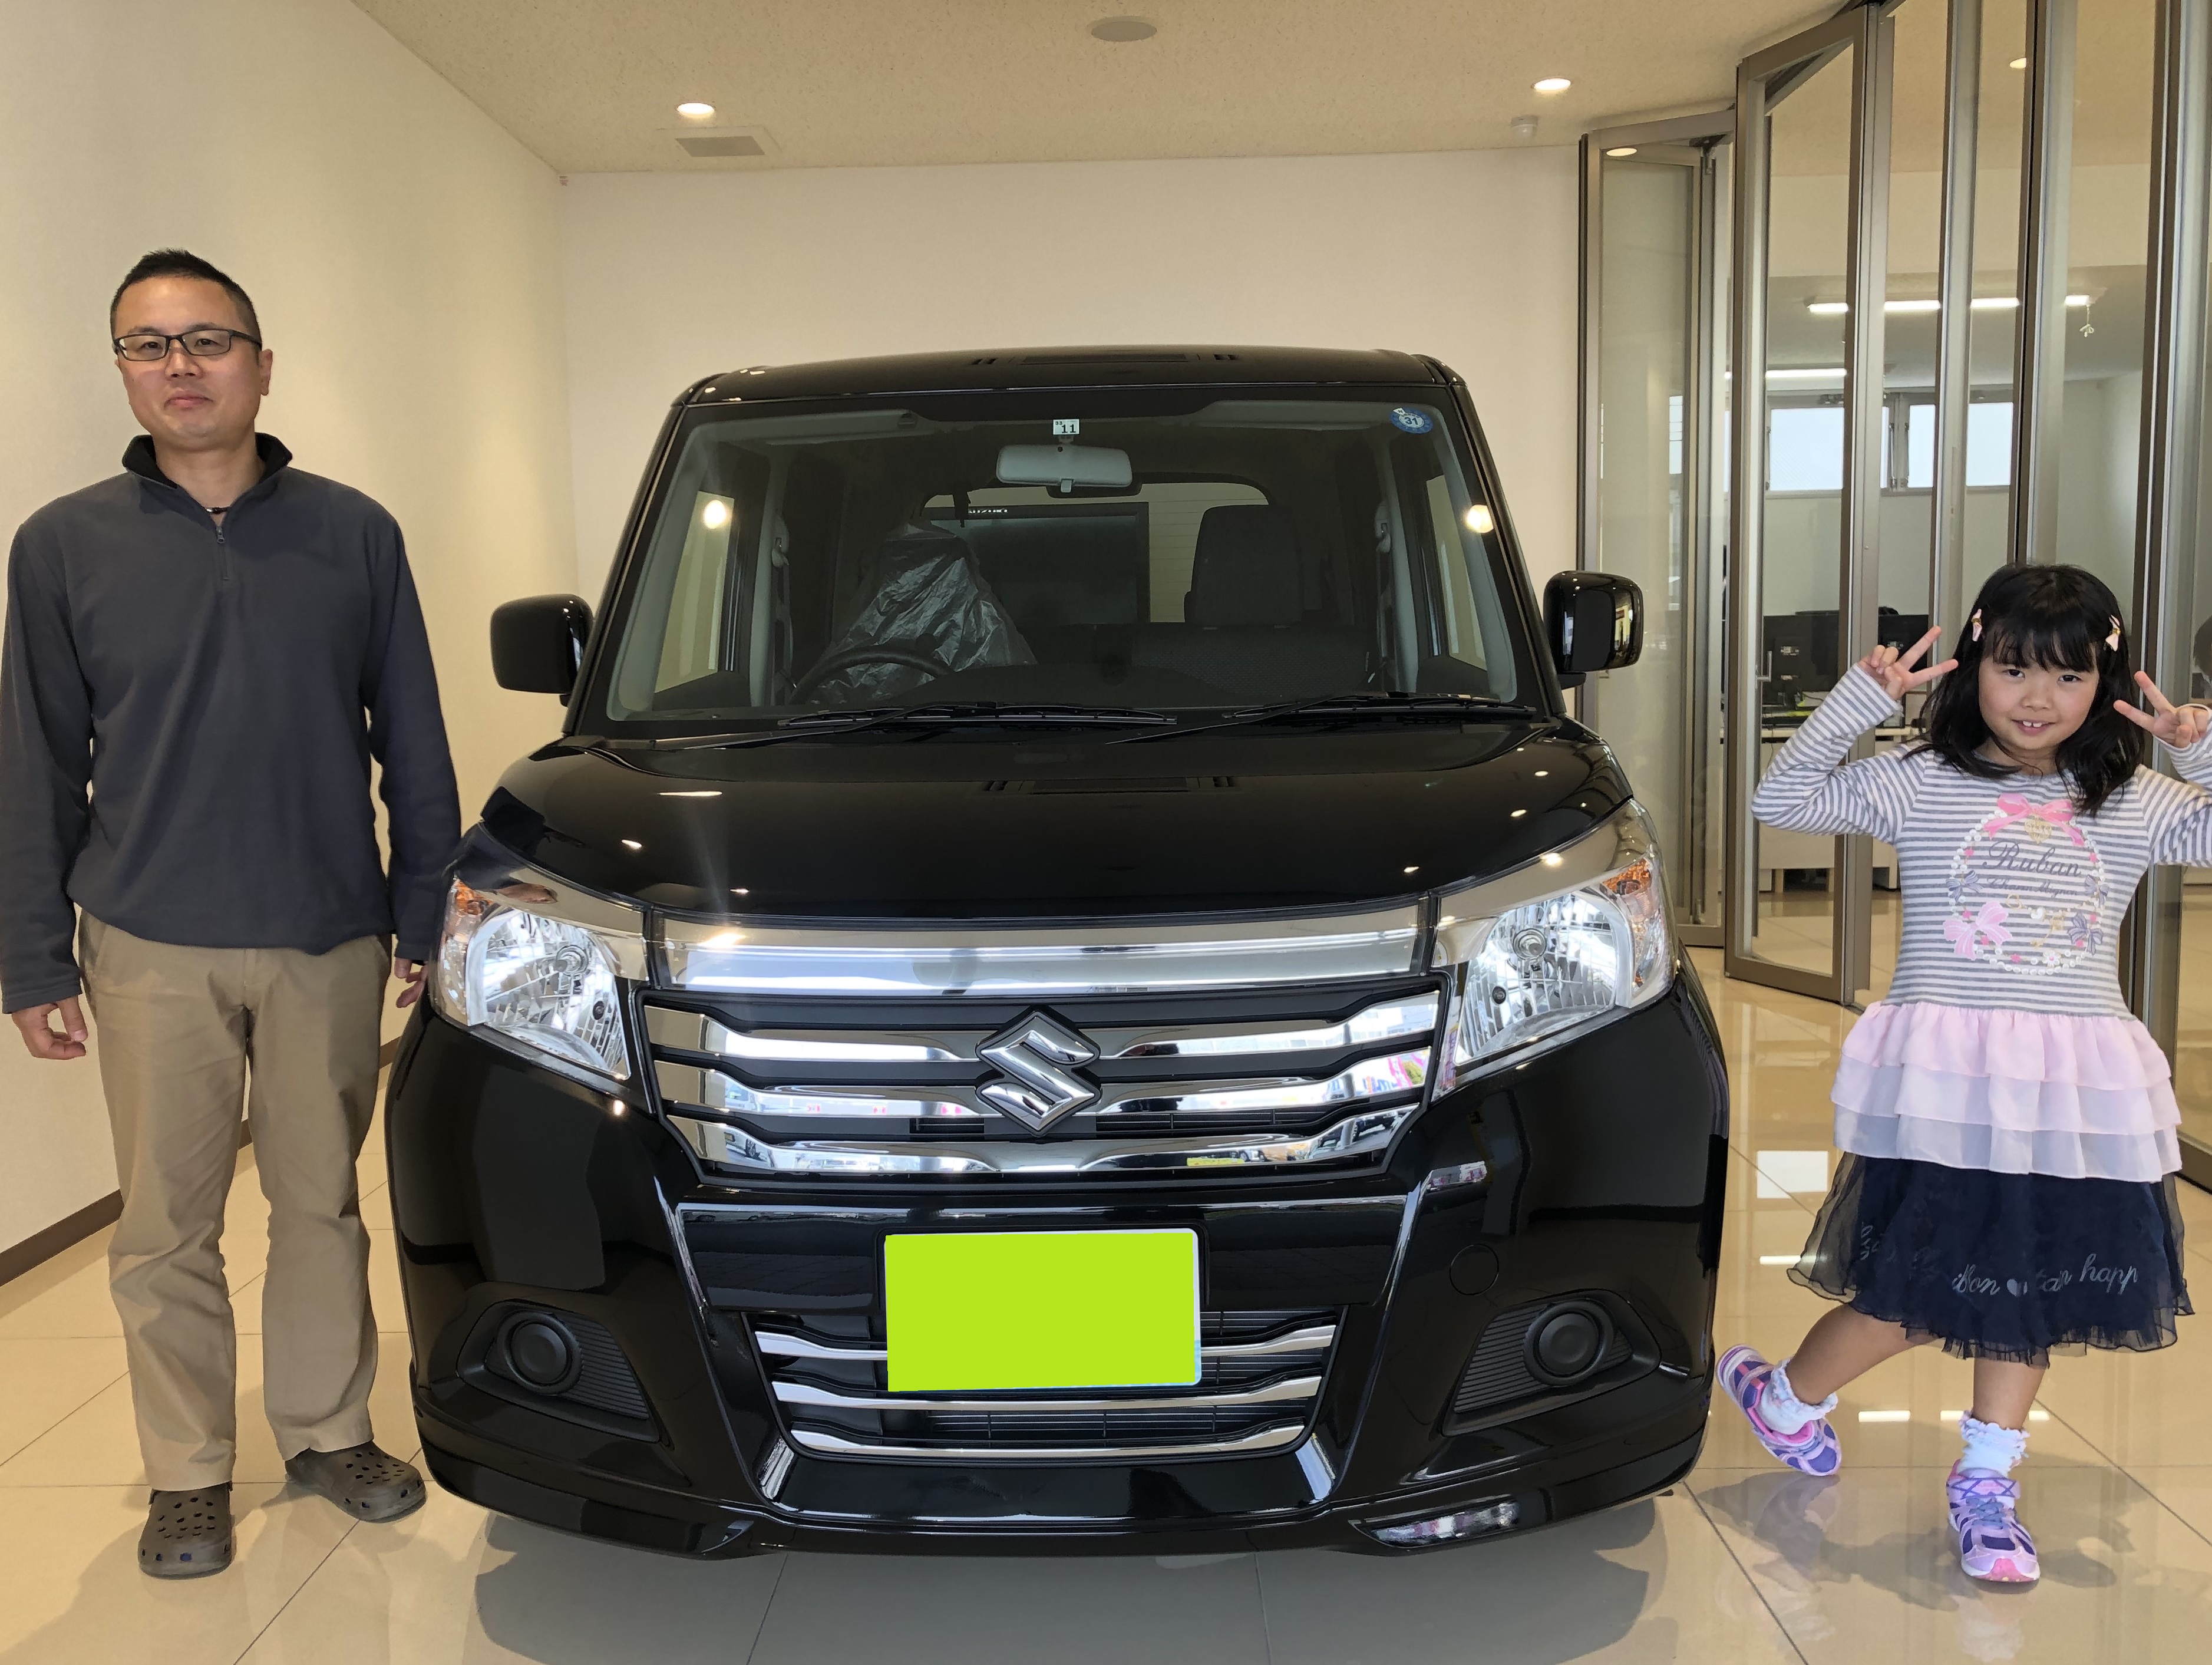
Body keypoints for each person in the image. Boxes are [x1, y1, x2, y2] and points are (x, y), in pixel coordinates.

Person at [0, 250, 460, 1577]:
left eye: (207, 340)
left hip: (328, 930)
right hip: (148, 939)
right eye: (148, 345)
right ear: (124, 374)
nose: (180, 366)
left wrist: (427, 915)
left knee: (321, 1206)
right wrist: (31, 957)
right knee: (164, 1227)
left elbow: (414, 738)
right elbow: (35, 760)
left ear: (261, 364)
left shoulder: (353, 532)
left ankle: (325, 1431)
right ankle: (189, 1469)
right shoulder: (63, 545)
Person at [1722, 564, 2200, 1585]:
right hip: (1949, 1087)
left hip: (2068, 1090)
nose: (2037, 698)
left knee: (2029, 1288)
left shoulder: (2131, 797)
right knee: (1914, 1290)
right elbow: (1778, 797)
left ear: (2104, 683)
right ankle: (1785, 1395)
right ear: (1974, 663)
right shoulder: (1919, 780)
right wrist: (1857, 703)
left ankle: (1986, 1480)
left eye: (2068, 676)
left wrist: (2198, 751)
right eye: (2013, 667)